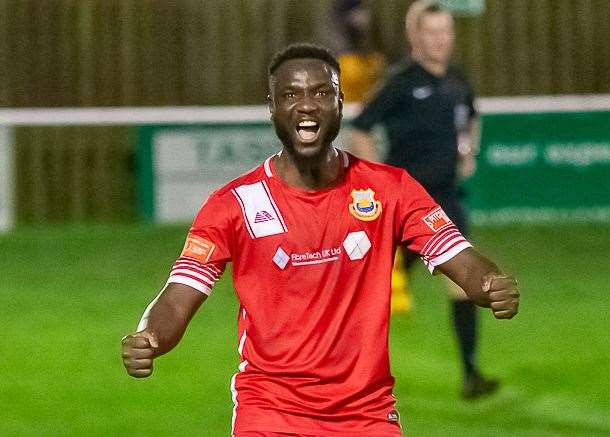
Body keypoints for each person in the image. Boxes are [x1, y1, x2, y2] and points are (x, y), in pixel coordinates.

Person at [121, 43, 519, 436]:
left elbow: (459, 256)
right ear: (272, 107)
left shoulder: (389, 189)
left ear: (341, 103)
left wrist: (489, 283)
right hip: (270, 417)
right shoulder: (233, 205)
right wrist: (151, 335)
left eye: (321, 92)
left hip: (367, 416)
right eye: (291, 94)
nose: (307, 105)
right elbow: (179, 292)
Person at [349, 1, 495, 399]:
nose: (441, 39)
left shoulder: (458, 81)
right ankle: (341, 374)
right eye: (432, 32)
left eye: (445, 31)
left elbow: (472, 118)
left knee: (463, 284)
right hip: (402, 208)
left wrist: (467, 152)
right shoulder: (400, 82)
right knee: (372, 295)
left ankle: (471, 376)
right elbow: (360, 130)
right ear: (415, 37)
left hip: (445, 201)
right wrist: (382, 181)